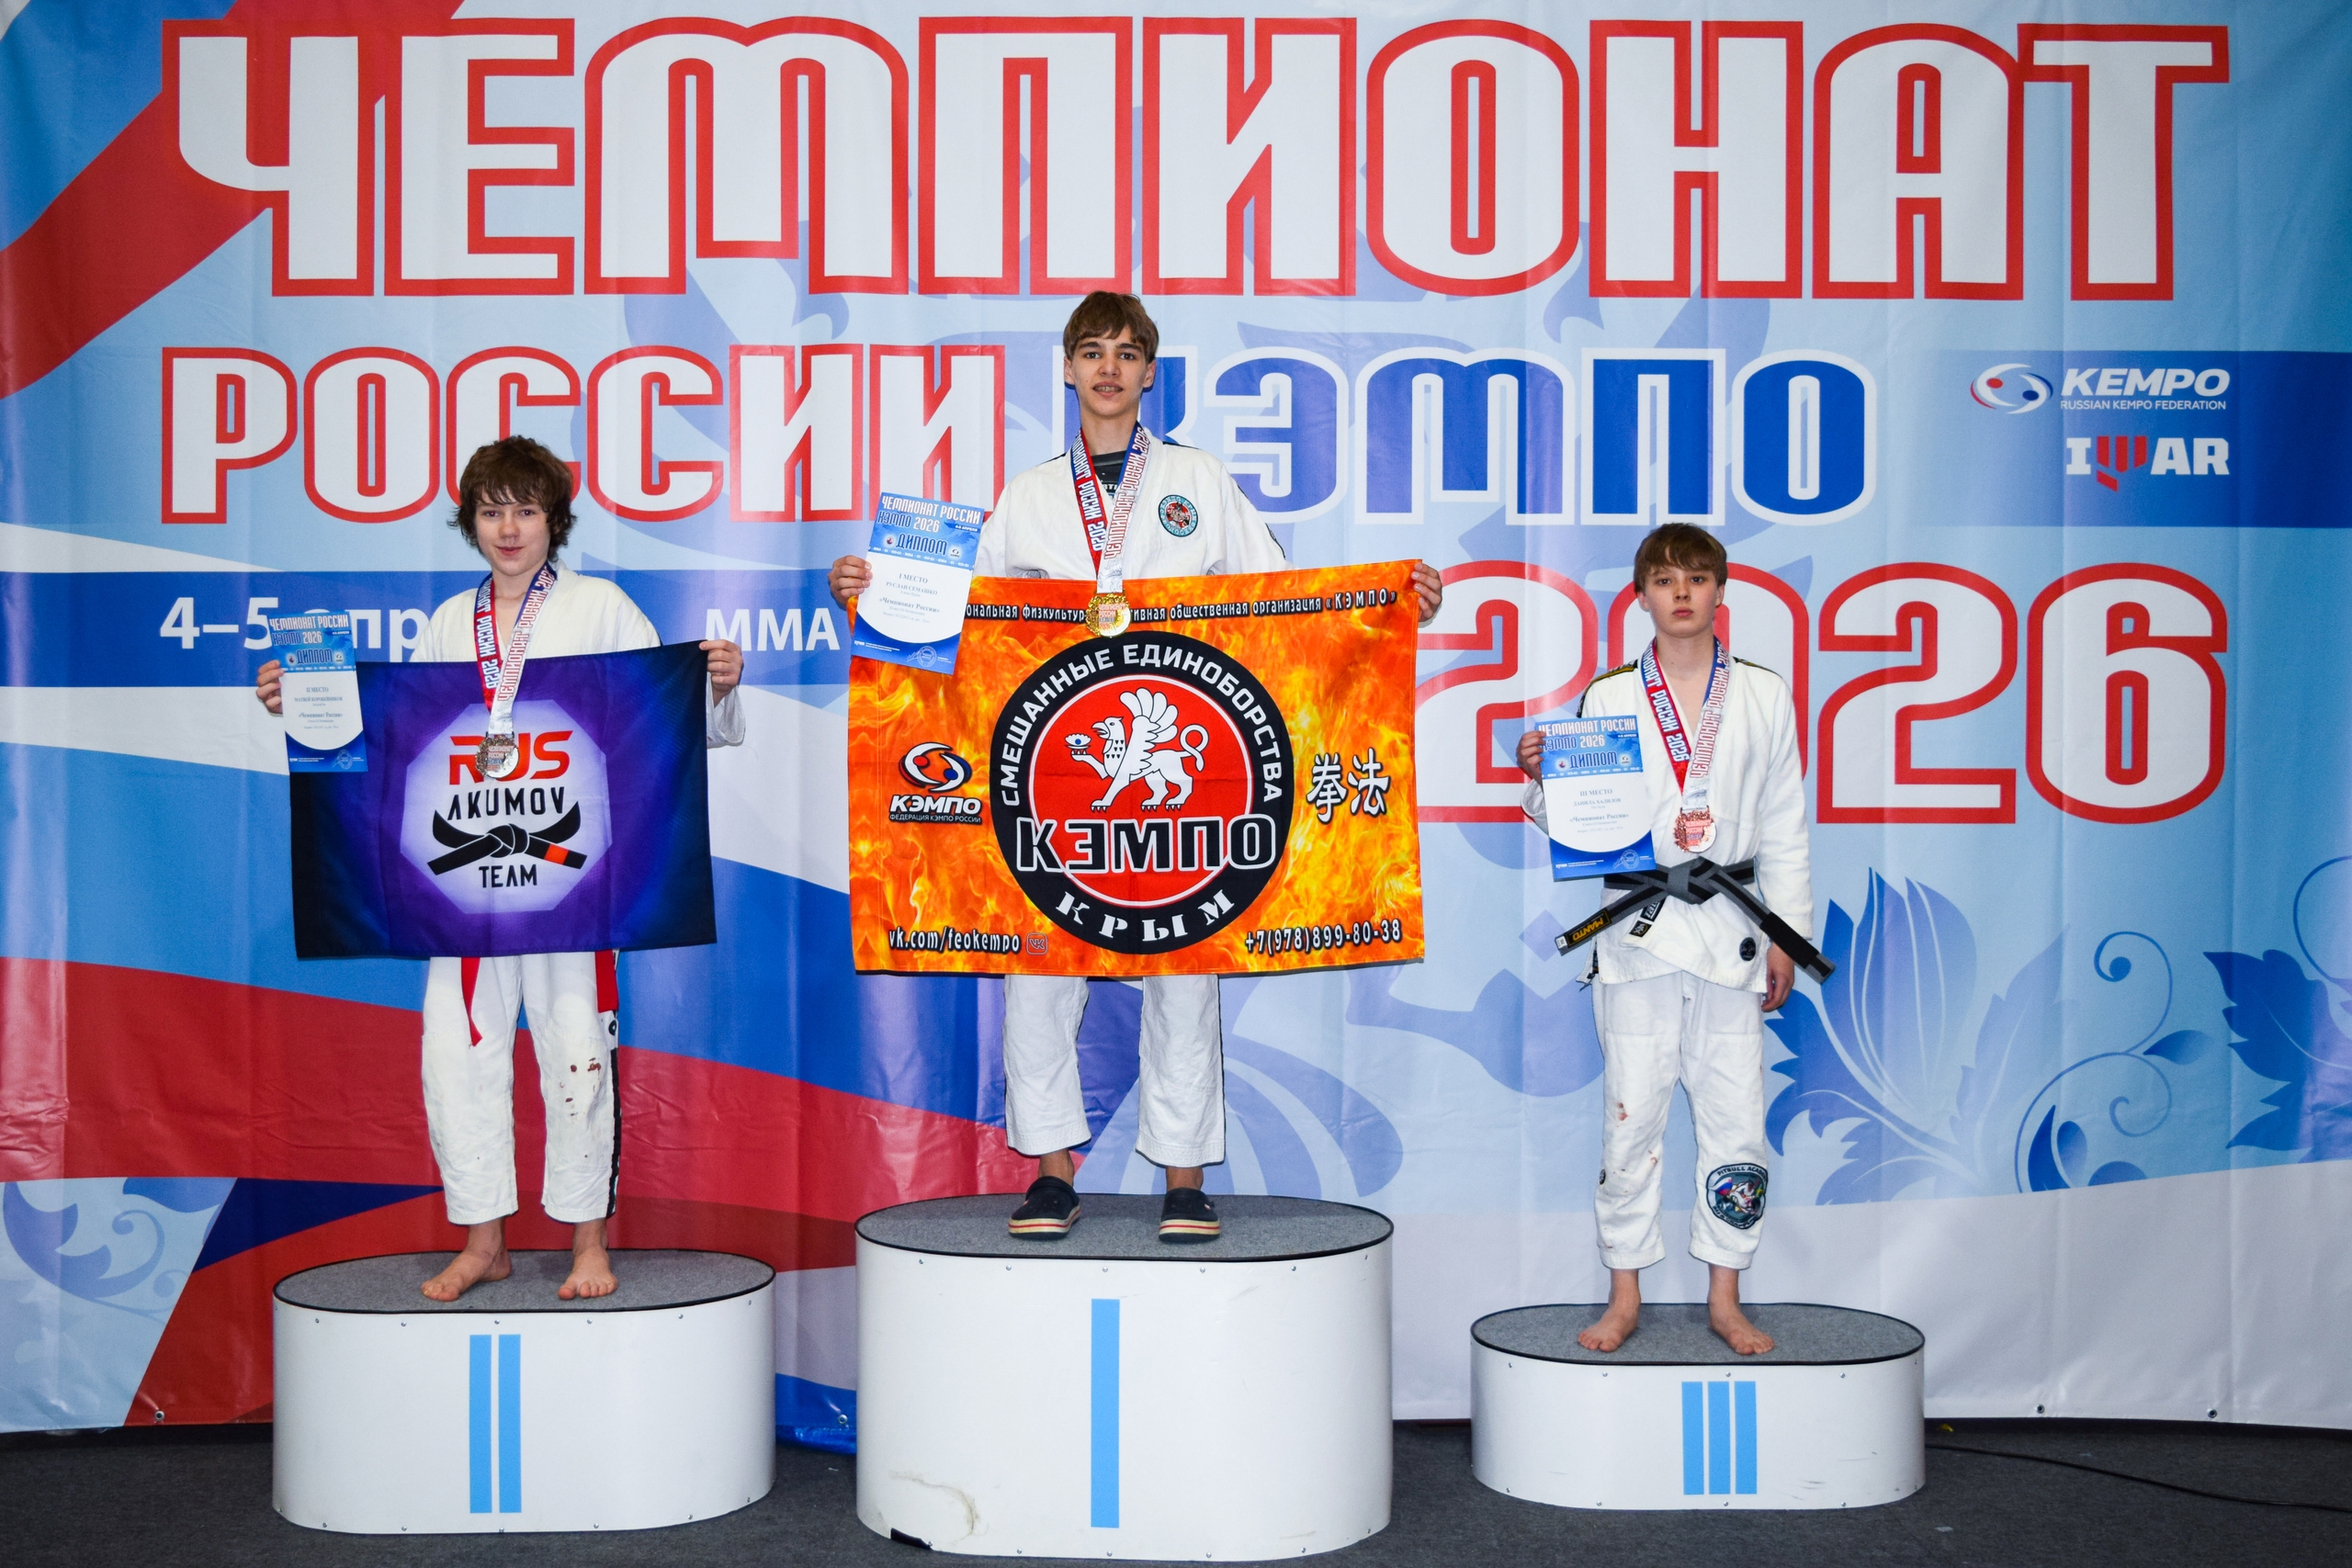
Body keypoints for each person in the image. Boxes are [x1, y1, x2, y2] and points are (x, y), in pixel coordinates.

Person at [831, 291, 1442, 1243]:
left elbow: (1285, 602)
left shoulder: (1198, 477)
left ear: (1150, 373)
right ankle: (1050, 1171)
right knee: (1037, 960)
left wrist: (1388, 607)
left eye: (1126, 352)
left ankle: (1185, 1178)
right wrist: (874, 596)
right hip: (1053, 762)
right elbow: (957, 627)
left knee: (1185, 958)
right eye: (1092, 351)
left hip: (1184, 756)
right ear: (1067, 370)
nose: (1109, 368)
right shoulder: (1028, 497)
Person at [257, 436, 746, 1302]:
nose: (509, 528)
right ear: (470, 522)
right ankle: (484, 1239)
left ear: (554, 520)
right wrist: (307, 707)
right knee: (456, 1054)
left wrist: (712, 684)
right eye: (491, 511)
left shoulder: (601, 608)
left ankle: (588, 1240)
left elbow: (661, 721)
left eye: (525, 509)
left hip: (576, 881)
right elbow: (397, 742)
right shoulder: (451, 623)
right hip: (462, 886)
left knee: (577, 1049)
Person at [1516, 523, 1811, 1355]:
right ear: (1641, 595)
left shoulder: (1763, 694)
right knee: (1630, 1120)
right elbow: (1580, 824)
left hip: (1732, 929)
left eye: (1697, 577)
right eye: (1665, 579)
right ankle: (1624, 1292)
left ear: (1721, 589)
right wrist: (1542, 778)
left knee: (1736, 1122)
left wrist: (1787, 936)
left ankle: (1726, 1294)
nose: (1682, 593)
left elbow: (1786, 826)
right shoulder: (1611, 696)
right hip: (1639, 933)